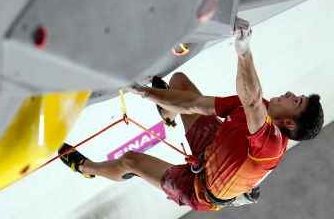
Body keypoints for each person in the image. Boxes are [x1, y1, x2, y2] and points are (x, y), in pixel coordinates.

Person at [58, 18, 324, 211]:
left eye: (296, 100)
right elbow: (197, 103)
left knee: (130, 161)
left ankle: (86, 168)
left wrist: (244, 52)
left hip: (199, 189)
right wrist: (143, 92)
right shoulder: (258, 108)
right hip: (214, 149)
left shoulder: (271, 143)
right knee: (180, 83)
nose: (290, 93)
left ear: (288, 121)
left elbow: (251, 100)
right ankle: (168, 114)